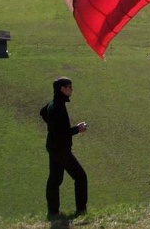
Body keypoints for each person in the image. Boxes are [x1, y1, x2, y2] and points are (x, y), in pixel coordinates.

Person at [40, 76, 88, 217]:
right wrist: (77, 129)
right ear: (62, 89)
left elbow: (42, 113)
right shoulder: (58, 107)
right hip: (61, 149)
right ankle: (81, 210)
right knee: (80, 176)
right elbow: (62, 132)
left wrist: (51, 126)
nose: (72, 89)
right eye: (70, 87)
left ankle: (53, 211)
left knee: (55, 179)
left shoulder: (52, 104)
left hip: (53, 146)